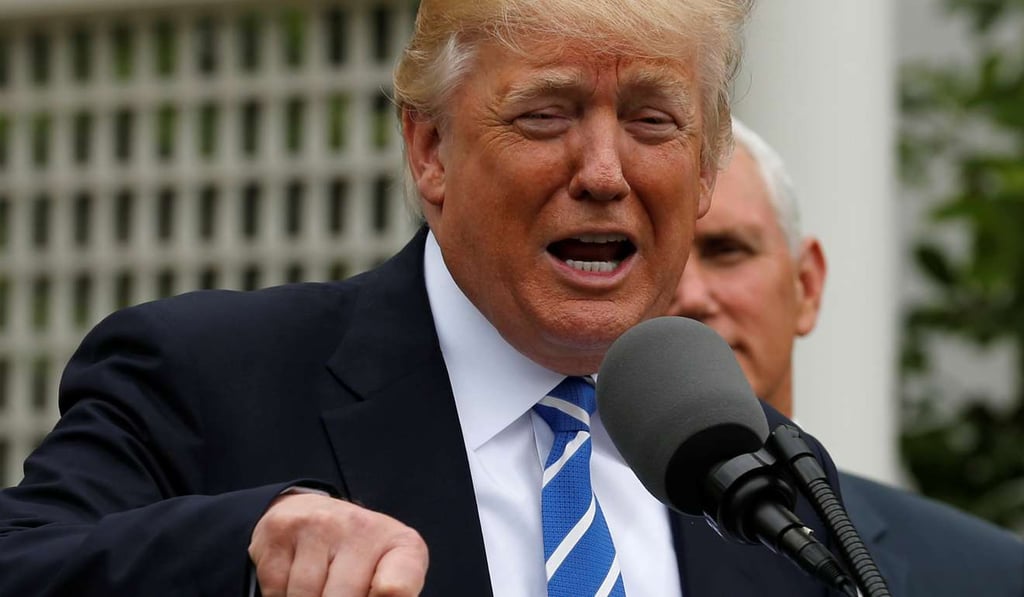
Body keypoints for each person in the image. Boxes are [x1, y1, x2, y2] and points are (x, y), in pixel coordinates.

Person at [0, 2, 855, 596]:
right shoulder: (205, 379)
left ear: (704, 171)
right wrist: (247, 545)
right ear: (429, 150)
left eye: (652, 121)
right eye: (546, 114)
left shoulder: (765, 479)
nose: (603, 172)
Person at [669, 117, 1024, 596]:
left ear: (807, 285)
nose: (692, 295)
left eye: (727, 250)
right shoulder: (572, 545)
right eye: (661, 257)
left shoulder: (987, 574)